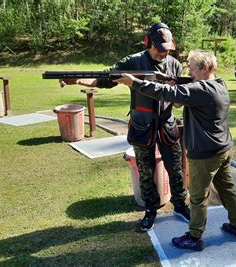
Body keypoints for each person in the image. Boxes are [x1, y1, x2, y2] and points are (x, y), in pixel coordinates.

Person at [58, 23, 190, 232]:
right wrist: (76, 80)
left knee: (175, 169)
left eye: (167, 48)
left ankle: (181, 205)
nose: (164, 52)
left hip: (166, 124)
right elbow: (105, 78)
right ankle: (150, 210)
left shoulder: (174, 64)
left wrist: (178, 97)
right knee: (145, 173)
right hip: (142, 125)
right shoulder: (133, 61)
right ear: (148, 43)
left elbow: (178, 101)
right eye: (159, 48)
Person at [115, 50, 236, 251]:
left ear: (204, 68)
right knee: (227, 189)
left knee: (197, 197)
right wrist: (177, 85)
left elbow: (166, 94)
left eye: (192, 69)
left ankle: (194, 236)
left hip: (205, 154)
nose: (189, 73)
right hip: (223, 149)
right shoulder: (219, 84)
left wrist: (135, 82)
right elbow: (180, 99)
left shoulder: (201, 89)